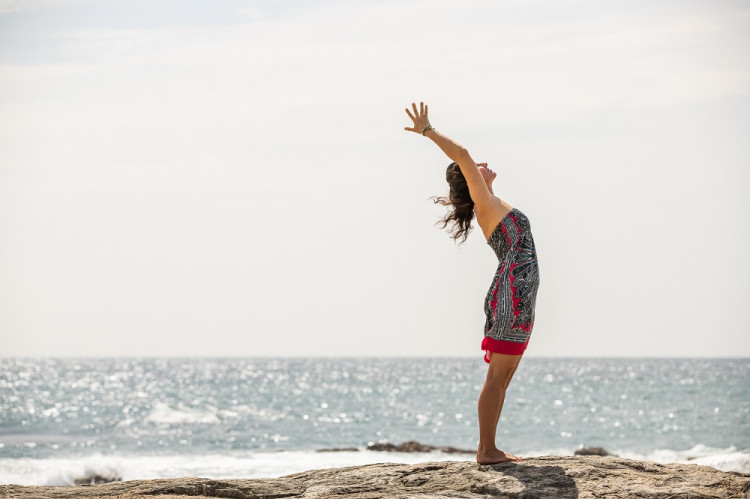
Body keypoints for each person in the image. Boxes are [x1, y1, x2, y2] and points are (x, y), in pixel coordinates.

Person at [404, 102, 540, 465]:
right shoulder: (485, 205)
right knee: (497, 375)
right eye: (475, 168)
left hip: (521, 297)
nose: (479, 163)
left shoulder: (491, 200)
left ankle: (490, 447)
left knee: (506, 374)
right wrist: (428, 130)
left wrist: (488, 182)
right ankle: (486, 450)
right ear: (470, 181)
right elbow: (462, 154)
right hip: (512, 295)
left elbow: (477, 173)